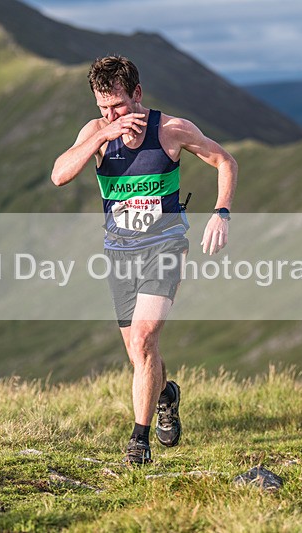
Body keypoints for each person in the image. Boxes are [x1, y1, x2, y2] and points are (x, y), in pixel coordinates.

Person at [51, 55, 238, 465]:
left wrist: (221, 211)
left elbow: (226, 160)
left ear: (137, 94)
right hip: (119, 253)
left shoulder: (172, 130)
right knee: (139, 356)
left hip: (165, 244)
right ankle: (166, 394)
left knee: (144, 338)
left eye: (117, 106)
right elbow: (60, 175)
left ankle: (139, 441)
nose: (111, 114)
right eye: (102, 108)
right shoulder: (96, 131)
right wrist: (101, 136)